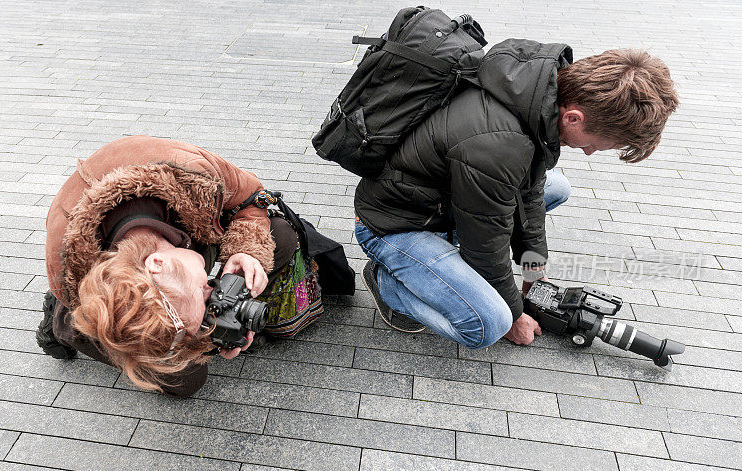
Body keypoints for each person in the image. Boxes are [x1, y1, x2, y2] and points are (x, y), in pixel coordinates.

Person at [354, 43, 679, 349]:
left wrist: (534, 274)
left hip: (443, 202)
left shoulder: (537, 94)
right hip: (394, 223)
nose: (590, 152)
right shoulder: (499, 144)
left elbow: (530, 196)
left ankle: (438, 263)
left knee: (557, 186)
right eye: (593, 143)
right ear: (574, 117)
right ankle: (389, 282)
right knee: (487, 324)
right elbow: (485, 244)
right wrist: (513, 313)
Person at [36, 135, 299, 396]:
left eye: (206, 289)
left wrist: (246, 251)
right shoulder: (68, 275)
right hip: (99, 288)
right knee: (186, 380)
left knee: (281, 237)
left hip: (188, 233)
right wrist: (208, 337)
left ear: (157, 263)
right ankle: (65, 325)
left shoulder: (192, 172)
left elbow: (253, 196)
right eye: (209, 289)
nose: (214, 285)